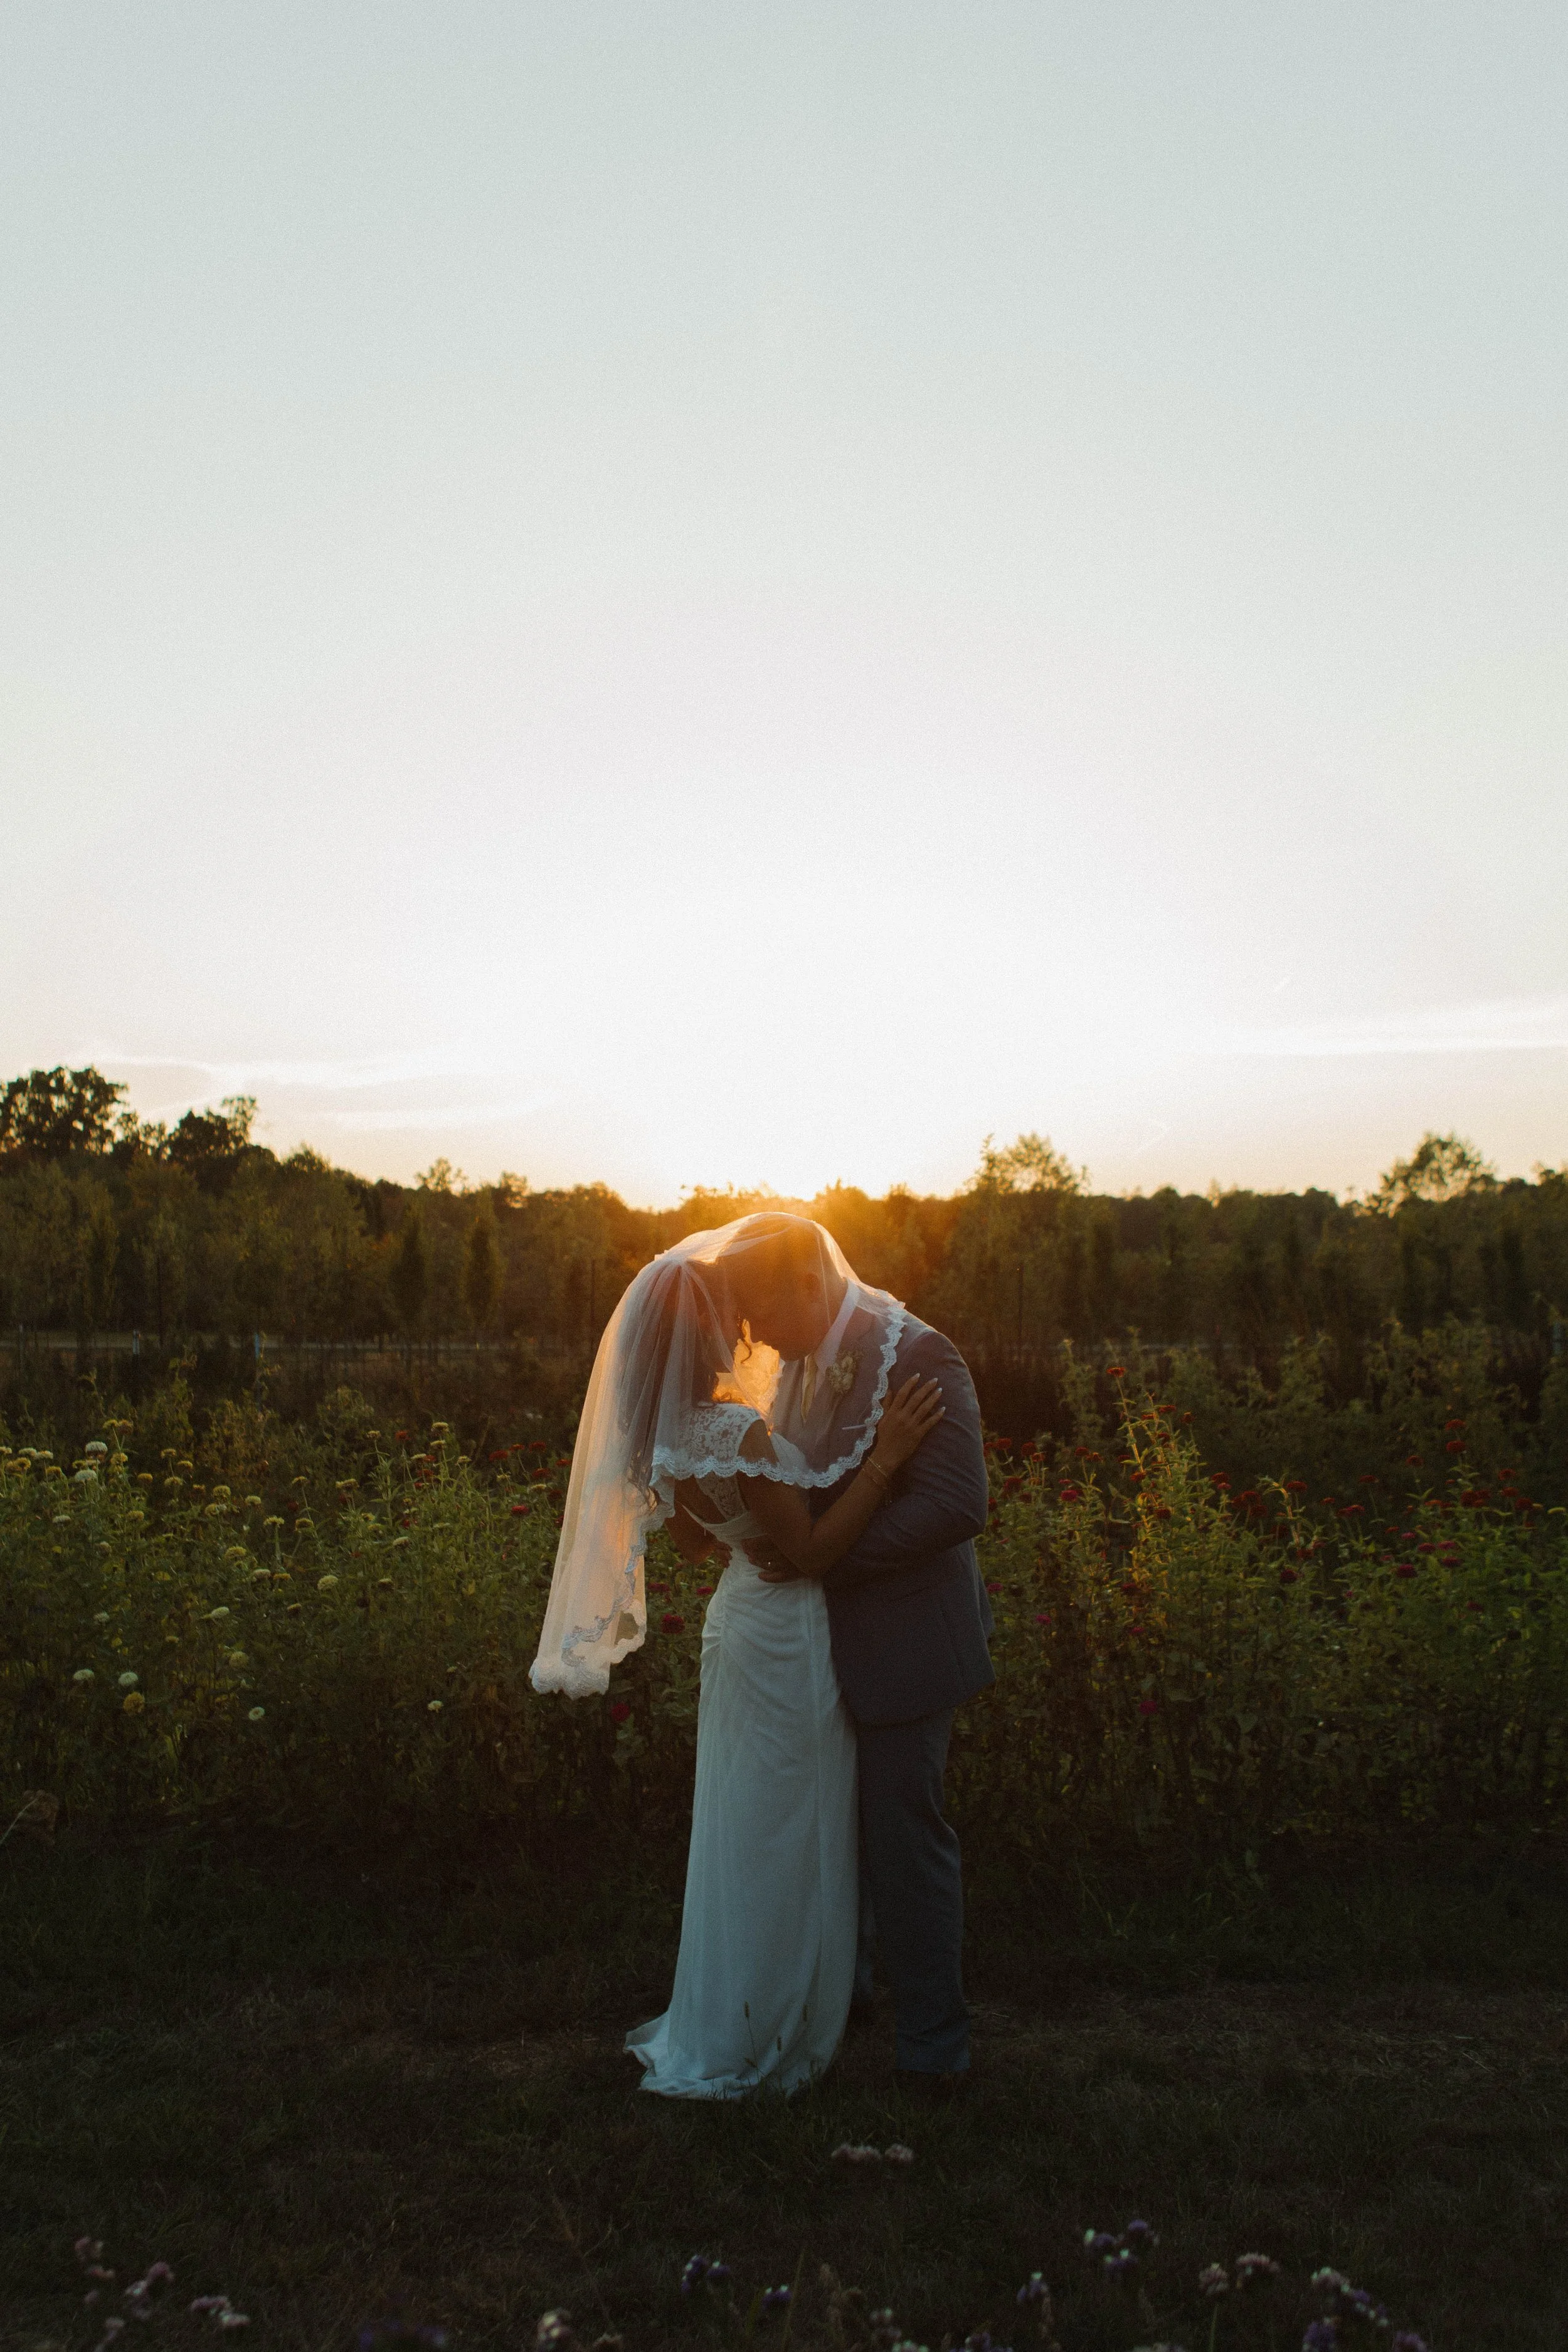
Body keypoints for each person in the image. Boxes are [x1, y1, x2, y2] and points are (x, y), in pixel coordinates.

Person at [529, 1214, 945, 2098]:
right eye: (730, 1314)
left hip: (734, 1621)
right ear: (706, 1335)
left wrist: (747, 1532)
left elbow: (690, 1539)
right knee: (791, 1827)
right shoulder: (741, 1432)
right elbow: (815, 1553)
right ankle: (780, 2015)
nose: (746, 1325)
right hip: (787, 1630)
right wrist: (886, 1459)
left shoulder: (671, 1436)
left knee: (741, 1823)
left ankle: (731, 2002)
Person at [736, 1219, 993, 2094]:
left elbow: (959, 1503)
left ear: (810, 1282)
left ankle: (934, 2048)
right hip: (827, 1643)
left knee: (903, 1841)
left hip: (911, 1641)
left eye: (763, 1309)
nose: (756, 1333)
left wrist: (830, 1556)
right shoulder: (805, 1359)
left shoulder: (920, 1355)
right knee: (840, 1837)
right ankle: (844, 1999)